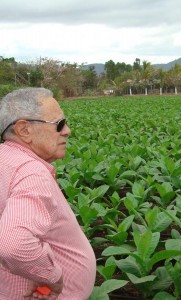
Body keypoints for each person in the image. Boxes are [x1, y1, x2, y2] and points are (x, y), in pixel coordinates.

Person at [0, 88, 96, 299]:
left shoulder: (4, 159)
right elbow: (12, 244)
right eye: (59, 124)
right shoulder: (31, 173)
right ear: (24, 130)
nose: (67, 131)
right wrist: (50, 276)